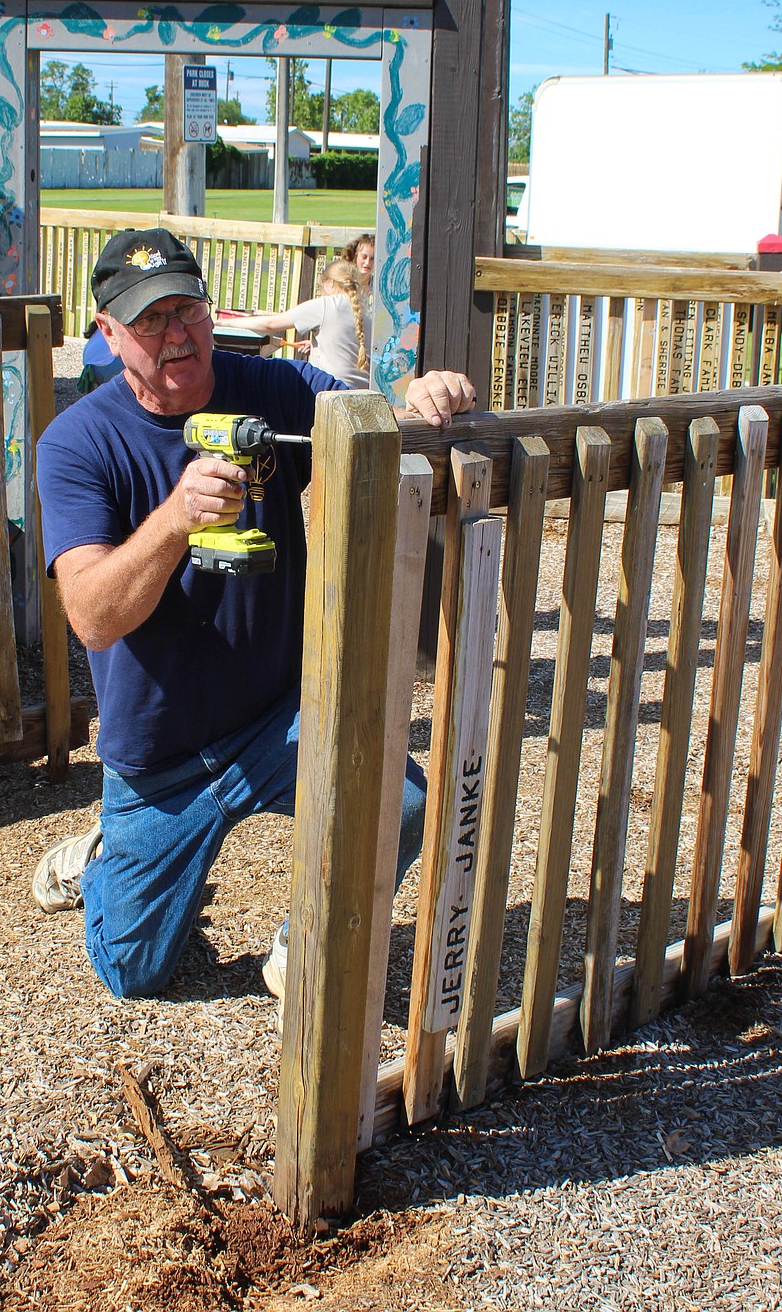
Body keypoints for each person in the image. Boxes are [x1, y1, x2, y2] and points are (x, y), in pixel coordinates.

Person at [32, 226, 474, 1008]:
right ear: (107, 334)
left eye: (188, 310)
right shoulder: (78, 442)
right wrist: (176, 517)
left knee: (403, 803)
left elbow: (366, 415)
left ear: (212, 311)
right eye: (149, 320)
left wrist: (417, 393)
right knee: (136, 972)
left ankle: (298, 946)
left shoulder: (269, 390)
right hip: (160, 757)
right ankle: (104, 854)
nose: (176, 335)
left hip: (276, 722)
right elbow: (93, 616)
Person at [229, 256, 371, 388]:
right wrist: (317, 346)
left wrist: (228, 323)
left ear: (329, 283)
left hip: (331, 389)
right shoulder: (366, 310)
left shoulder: (326, 305)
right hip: (363, 391)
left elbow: (271, 324)